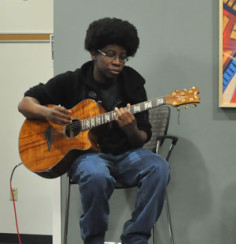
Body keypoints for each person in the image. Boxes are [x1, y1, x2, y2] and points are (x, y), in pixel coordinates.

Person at [18, 17, 169, 244]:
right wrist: (47, 113)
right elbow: (25, 104)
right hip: (87, 158)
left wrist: (131, 129)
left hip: (126, 155)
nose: (117, 61)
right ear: (94, 53)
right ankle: (94, 240)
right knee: (96, 173)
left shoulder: (134, 83)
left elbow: (141, 138)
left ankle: (136, 238)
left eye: (122, 56)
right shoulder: (71, 81)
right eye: (110, 54)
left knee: (159, 167)